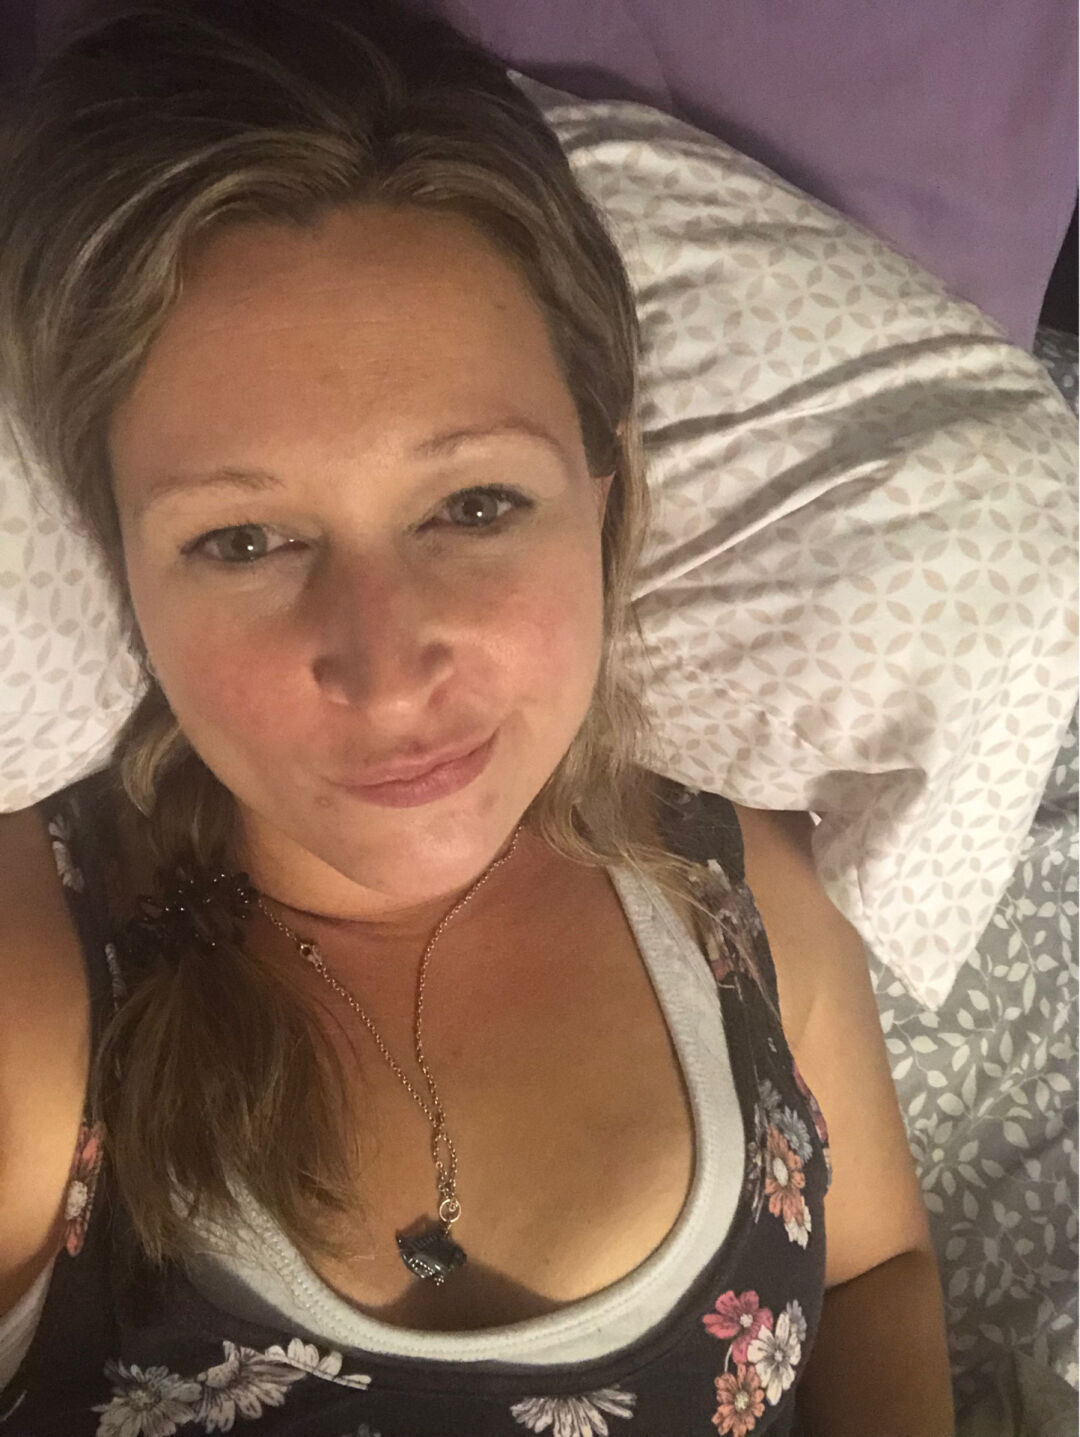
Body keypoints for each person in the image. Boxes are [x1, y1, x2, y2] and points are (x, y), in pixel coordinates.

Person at [0, 0, 954, 1431]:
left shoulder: (735, 884)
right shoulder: (44, 977)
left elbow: (877, 1269)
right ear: (119, 560)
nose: (387, 674)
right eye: (243, 539)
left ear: (602, 493)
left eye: (475, 505)